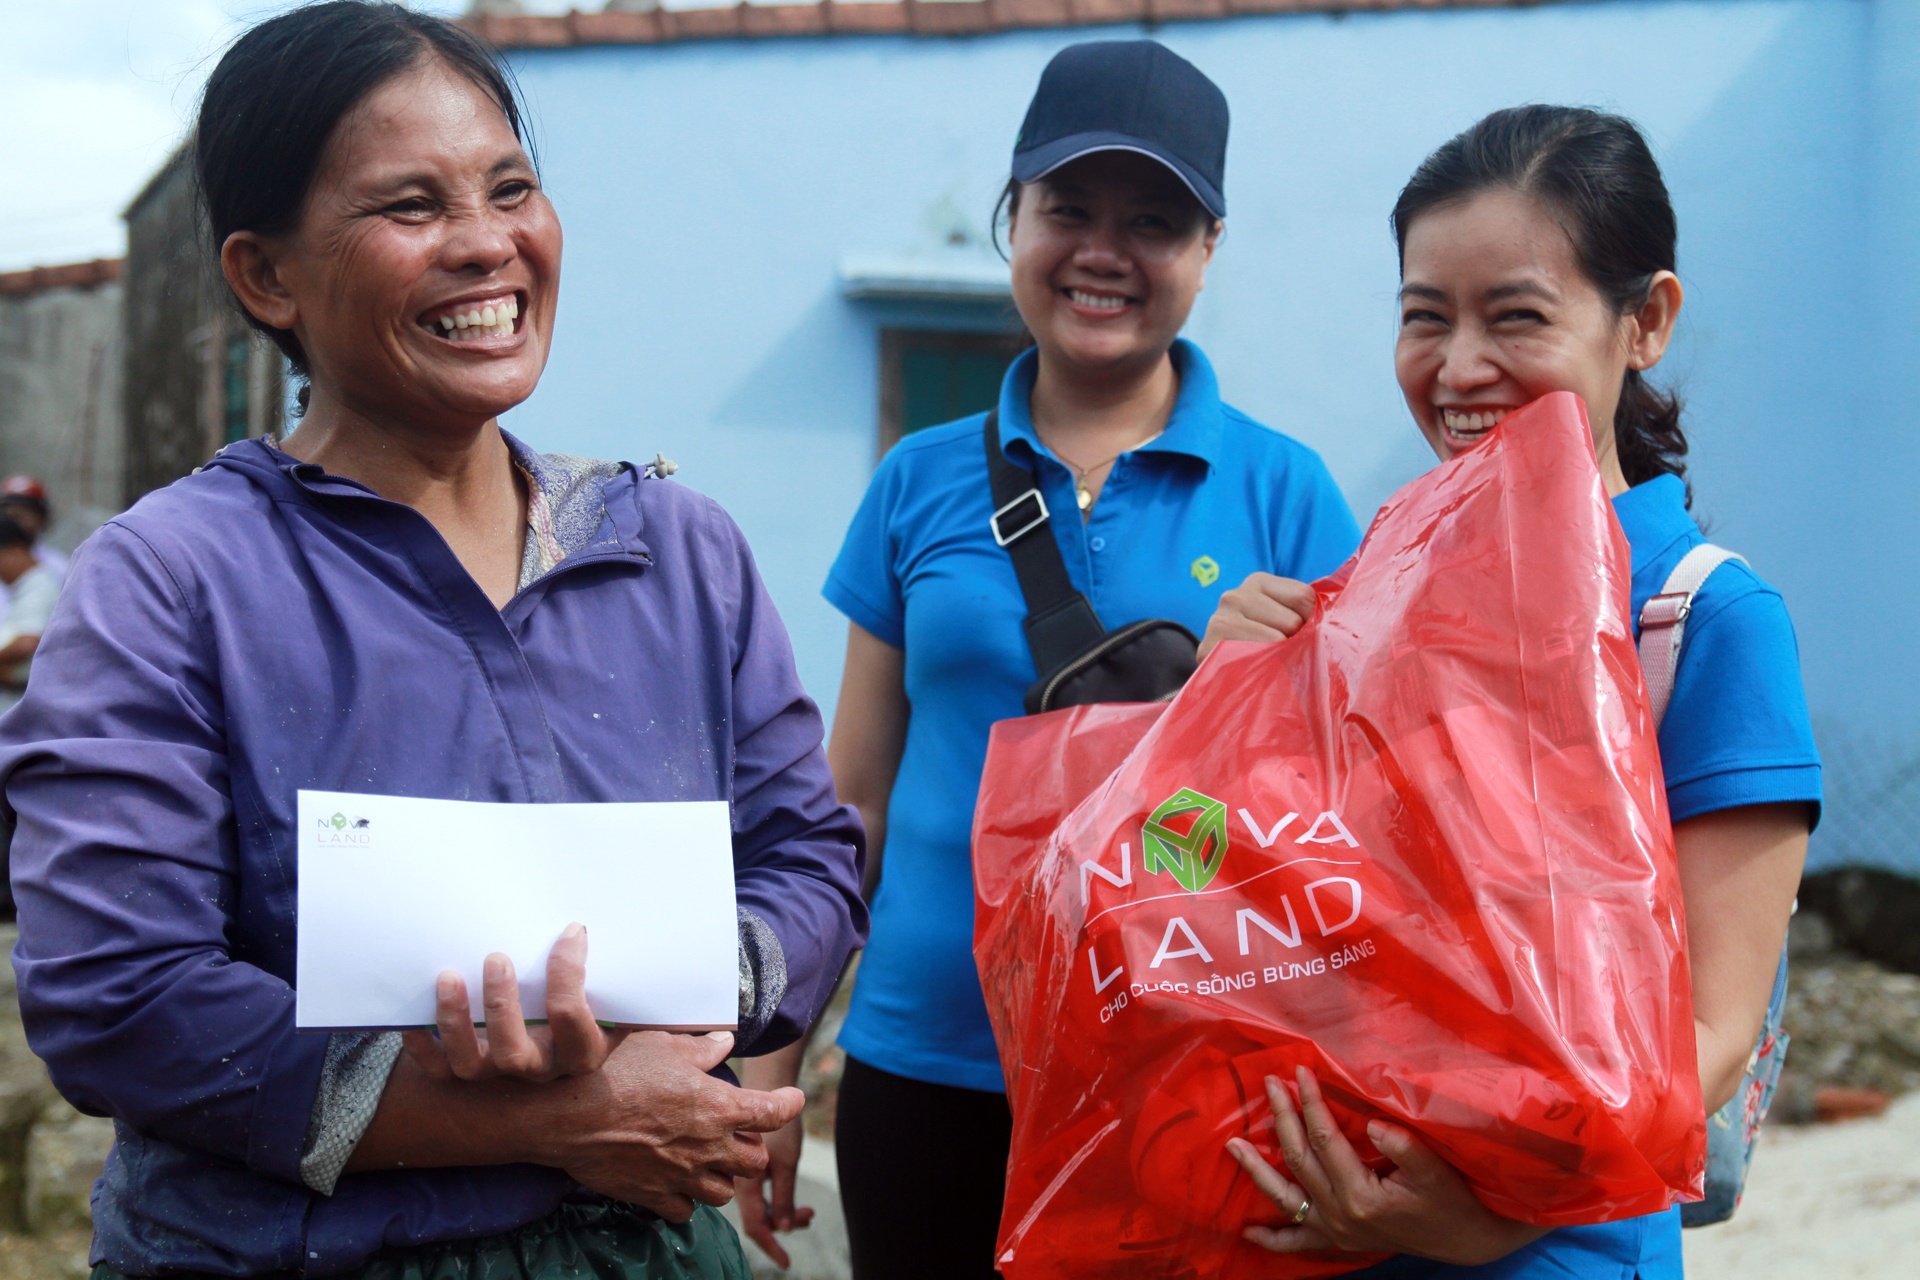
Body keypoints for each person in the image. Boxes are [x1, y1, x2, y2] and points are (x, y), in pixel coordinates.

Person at [0, 4, 866, 1278]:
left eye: (510, 187)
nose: (486, 244)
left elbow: (810, 856)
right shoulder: (174, 580)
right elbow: (120, 997)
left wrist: (685, 998)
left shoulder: (681, 552)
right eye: (411, 207)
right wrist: (567, 1119)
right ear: (266, 275)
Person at [736, 40, 1362, 1279]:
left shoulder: (1289, 492)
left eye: (1155, 220)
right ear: (1011, 219)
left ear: (1210, 250)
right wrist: (772, 1057)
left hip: (1178, 1052)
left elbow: (1341, 819)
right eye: (1067, 208)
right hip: (926, 1054)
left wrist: (1236, 689)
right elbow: (850, 793)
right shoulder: (915, 481)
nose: (1103, 251)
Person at [1208, 105, 1820, 1278]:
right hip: (1336, 1234)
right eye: (1424, 317)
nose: (1460, 366)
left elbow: (1709, 1037)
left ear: (1645, 321)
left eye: (1517, 316)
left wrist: (1491, 1219)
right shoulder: (1367, 596)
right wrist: (1225, 703)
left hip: (1561, 1247)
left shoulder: (1706, 622)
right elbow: (1281, 923)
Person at [0, 516, 58, 714]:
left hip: (25, 698)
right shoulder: (27, 587)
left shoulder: (40, 585)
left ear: (15, 550)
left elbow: (26, 643)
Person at [0, 475, 69, 580]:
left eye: (23, 515)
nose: (14, 524)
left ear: (41, 518)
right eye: (9, 516)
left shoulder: (58, 567)